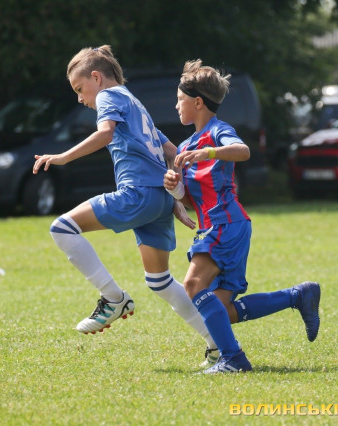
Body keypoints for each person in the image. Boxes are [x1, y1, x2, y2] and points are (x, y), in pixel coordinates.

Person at [32, 45, 219, 358]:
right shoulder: (134, 102)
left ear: (96, 78)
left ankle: (113, 298)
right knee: (160, 281)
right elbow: (172, 151)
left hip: (138, 194)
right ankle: (218, 345)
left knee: (62, 228)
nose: (80, 99)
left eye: (79, 89)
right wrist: (175, 195)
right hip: (158, 199)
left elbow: (105, 133)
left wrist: (63, 156)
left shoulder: (108, 96)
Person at [164, 60, 321, 374]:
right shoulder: (185, 146)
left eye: (180, 99)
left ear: (198, 103)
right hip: (219, 227)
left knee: (193, 284)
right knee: (221, 310)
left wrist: (209, 152)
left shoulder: (218, 131)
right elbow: (194, 200)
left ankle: (233, 359)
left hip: (225, 224)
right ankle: (297, 296)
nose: (176, 105)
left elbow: (243, 150)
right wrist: (176, 189)